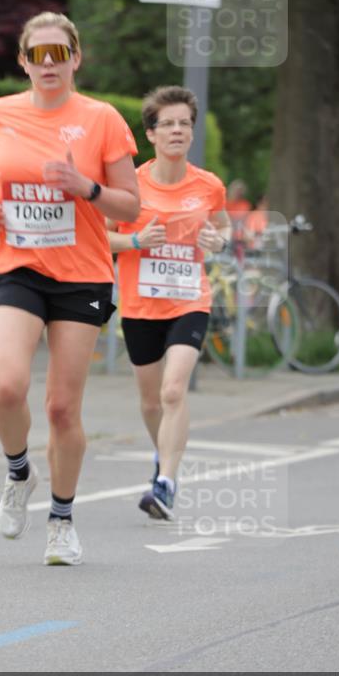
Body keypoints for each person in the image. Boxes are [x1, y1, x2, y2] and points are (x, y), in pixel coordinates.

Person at [0, 12, 139, 565]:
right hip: (16, 265)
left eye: (58, 54)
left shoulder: (102, 119)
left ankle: (62, 521)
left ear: (75, 58)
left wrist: (85, 186)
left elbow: (132, 205)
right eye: (37, 55)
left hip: (82, 275)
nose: (48, 64)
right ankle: (19, 471)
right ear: (22, 61)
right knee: (5, 387)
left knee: (63, 408)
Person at [107, 85, 230, 520]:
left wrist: (217, 240)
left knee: (174, 389)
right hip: (140, 305)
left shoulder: (209, 186)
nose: (178, 131)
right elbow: (99, 235)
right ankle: (163, 456)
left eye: (185, 124)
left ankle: (167, 482)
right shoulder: (130, 187)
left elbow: (222, 231)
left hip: (189, 301)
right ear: (152, 135)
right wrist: (135, 240)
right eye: (169, 124)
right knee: (151, 402)